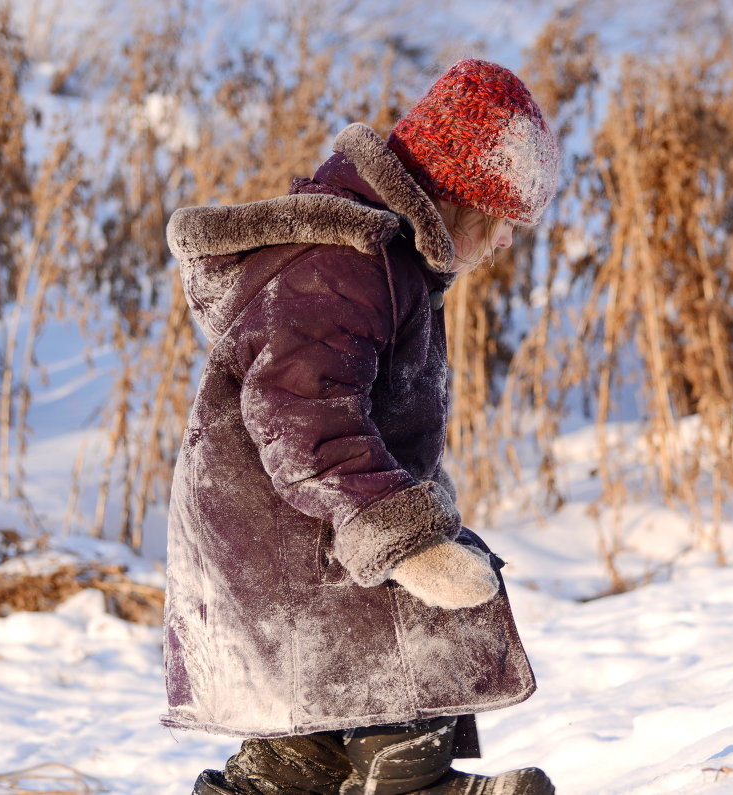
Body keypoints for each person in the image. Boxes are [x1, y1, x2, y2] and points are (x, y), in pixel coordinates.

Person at [163, 58, 560, 795]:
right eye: (504, 218)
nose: (505, 242)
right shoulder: (345, 261)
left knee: (309, 726)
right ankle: (411, 781)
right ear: (462, 196)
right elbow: (298, 410)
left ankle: (282, 780)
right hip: (285, 520)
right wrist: (404, 539)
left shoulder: (386, 258)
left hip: (291, 518)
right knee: (418, 615)